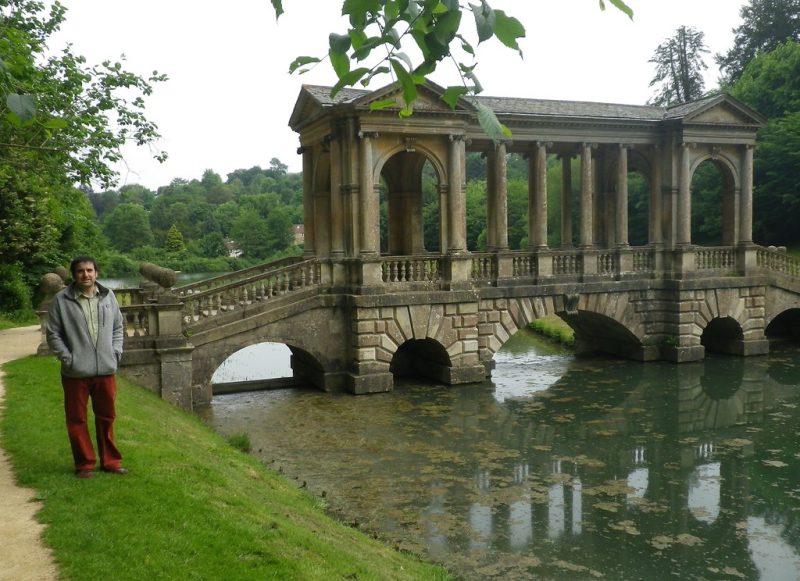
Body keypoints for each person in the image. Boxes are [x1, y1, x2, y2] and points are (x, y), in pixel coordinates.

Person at [46, 256, 128, 478]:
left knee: (107, 417)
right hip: (76, 372)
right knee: (76, 419)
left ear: (96, 273)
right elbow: (53, 333)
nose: (86, 275)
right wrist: (67, 358)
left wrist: (115, 352)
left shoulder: (108, 296)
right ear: (74, 275)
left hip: (106, 370)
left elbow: (118, 327)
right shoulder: (62, 300)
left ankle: (111, 462)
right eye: (81, 271)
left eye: (90, 270)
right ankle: (84, 464)